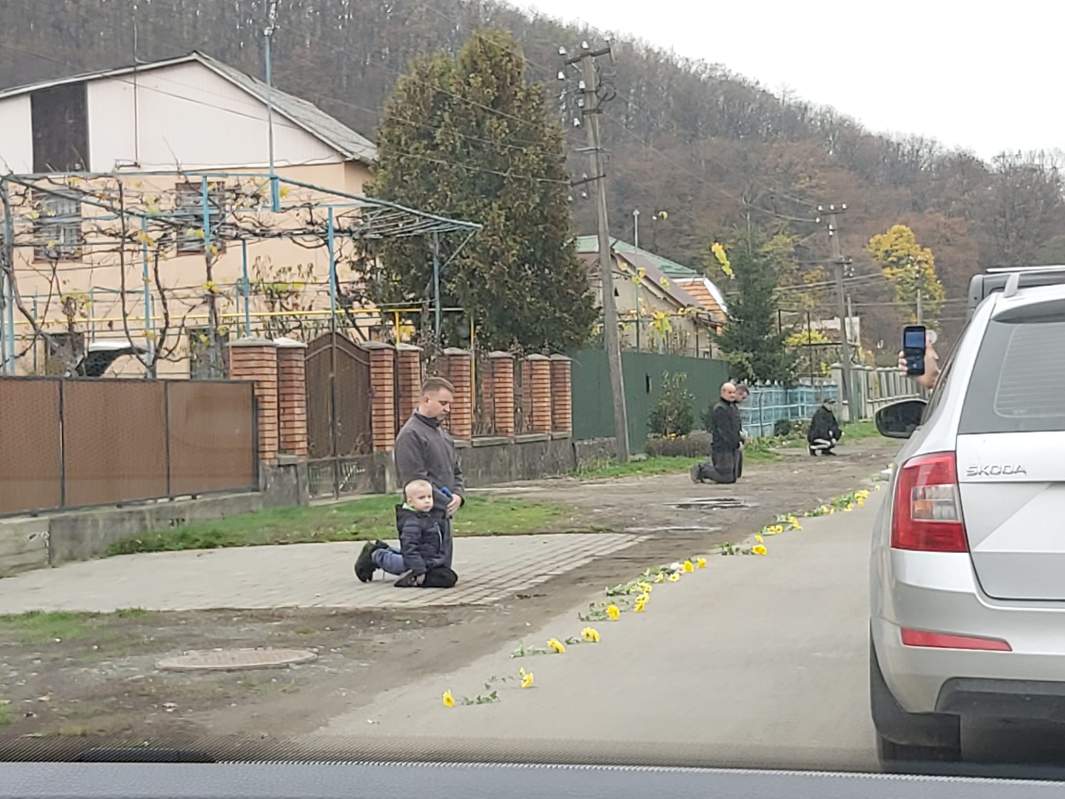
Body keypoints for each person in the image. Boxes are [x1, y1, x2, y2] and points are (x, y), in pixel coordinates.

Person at [354, 376, 465, 582]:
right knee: (420, 565)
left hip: (443, 513)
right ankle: (377, 556)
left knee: (439, 566)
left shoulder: (442, 435)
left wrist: (458, 496)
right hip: (421, 514)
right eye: (443, 403)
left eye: (450, 404)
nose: (448, 409)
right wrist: (441, 501)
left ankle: (381, 550)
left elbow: (456, 471)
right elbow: (415, 481)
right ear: (425, 400)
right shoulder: (410, 435)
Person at [354, 479, 458, 587]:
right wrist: (419, 570)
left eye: (429, 497)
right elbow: (409, 548)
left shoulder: (428, 517)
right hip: (412, 563)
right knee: (398, 563)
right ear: (410, 502)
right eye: (421, 498)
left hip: (425, 559)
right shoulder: (412, 522)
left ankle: (383, 548)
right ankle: (374, 555)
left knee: (446, 576)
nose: (427, 501)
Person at [691, 381, 742, 484]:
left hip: (732, 446)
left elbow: (736, 427)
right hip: (722, 447)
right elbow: (724, 431)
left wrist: (739, 440)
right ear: (723, 393)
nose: (732, 395)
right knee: (726, 477)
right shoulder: (720, 409)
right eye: (729, 392)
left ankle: (709, 470)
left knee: (733, 477)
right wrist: (733, 442)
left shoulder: (732, 408)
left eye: (733, 392)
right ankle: (702, 469)